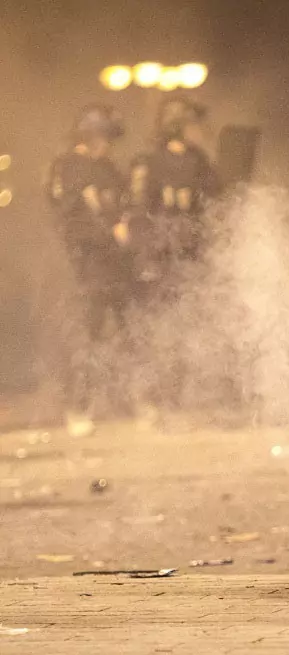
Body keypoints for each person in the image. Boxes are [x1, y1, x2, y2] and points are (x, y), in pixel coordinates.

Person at [47, 105, 132, 436]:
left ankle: (137, 400)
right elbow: (83, 210)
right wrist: (111, 228)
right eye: (105, 137)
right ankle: (77, 406)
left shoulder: (106, 166)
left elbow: (122, 202)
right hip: (84, 262)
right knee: (88, 332)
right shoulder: (69, 167)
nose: (109, 144)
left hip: (112, 261)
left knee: (130, 326)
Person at [129, 96, 218, 286]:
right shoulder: (149, 162)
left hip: (193, 249)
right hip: (161, 253)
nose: (198, 130)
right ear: (177, 128)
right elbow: (139, 210)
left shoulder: (200, 162)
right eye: (192, 125)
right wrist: (147, 256)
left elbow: (213, 199)